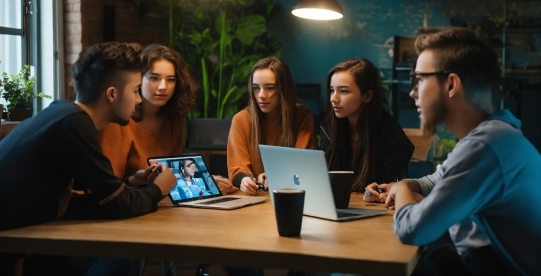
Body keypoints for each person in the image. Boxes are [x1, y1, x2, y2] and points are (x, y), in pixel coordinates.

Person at [0, 42, 177, 273]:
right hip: (6, 247)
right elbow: (120, 206)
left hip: (25, 240)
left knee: (115, 257)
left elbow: (95, 201)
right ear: (112, 94)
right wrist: (159, 189)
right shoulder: (74, 125)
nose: (139, 100)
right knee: (117, 258)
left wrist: (130, 184)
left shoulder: (62, 113)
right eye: (135, 90)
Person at [380, 27, 541, 275]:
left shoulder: (486, 145)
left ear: (452, 84)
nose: (413, 92)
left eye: (419, 79)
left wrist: (401, 189)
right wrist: (410, 186)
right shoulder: (493, 134)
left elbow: (412, 230)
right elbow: (439, 178)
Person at [98, 44, 236, 195]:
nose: (163, 87)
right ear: (138, 79)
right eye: (154, 78)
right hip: (129, 204)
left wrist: (205, 182)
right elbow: (109, 188)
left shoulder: (175, 118)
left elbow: (172, 176)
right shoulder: (118, 119)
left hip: (160, 201)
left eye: (171, 80)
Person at [320, 58, 414, 192]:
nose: (333, 98)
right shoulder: (329, 127)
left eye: (344, 91)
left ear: (367, 96)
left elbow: (386, 191)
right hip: (335, 207)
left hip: (376, 209)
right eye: (331, 90)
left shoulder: (391, 136)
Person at [227, 56, 317, 196]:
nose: (261, 95)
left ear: (284, 89)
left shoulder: (302, 116)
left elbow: (303, 164)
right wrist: (246, 180)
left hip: (292, 196)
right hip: (256, 198)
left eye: (270, 88)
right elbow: (237, 169)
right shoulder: (241, 120)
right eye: (256, 88)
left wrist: (277, 176)